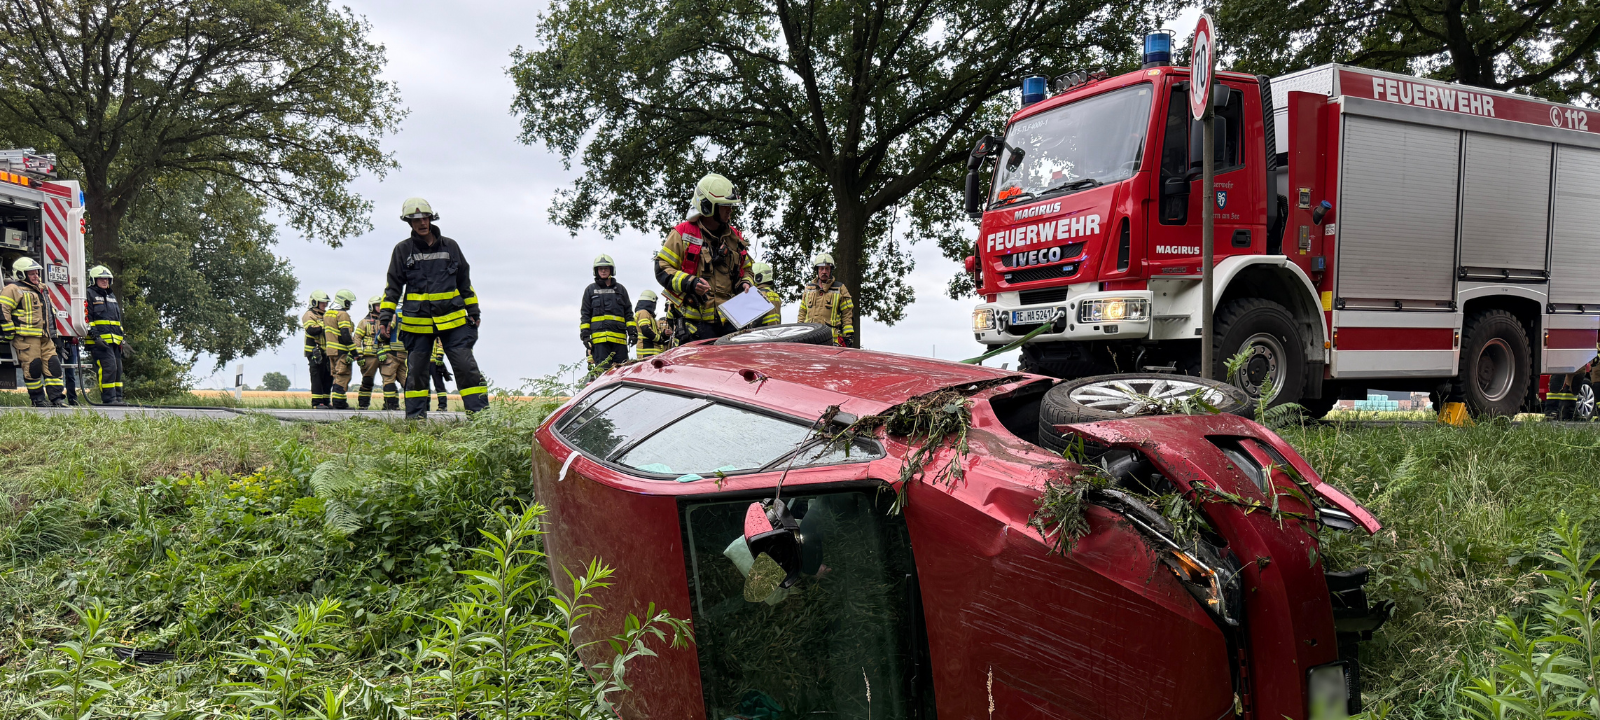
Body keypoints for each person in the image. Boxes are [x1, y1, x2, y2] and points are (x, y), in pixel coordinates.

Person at [378, 197, 488, 419]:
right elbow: (393, 288)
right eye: (416, 219)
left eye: (425, 218)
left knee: (466, 368)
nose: (422, 223)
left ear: (431, 218)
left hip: (454, 320)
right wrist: (384, 319)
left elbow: (464, 283)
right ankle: (415, 421)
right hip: (417, 323)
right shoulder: (402, 250)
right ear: (409, 222)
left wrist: (474, 311)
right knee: (417, 373)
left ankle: (480, 419)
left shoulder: (450, 246)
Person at [654, 173, 752, 342]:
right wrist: (689, 282)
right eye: (724, 206)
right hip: (694, 326)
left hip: (731, 323)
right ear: (708, 207)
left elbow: (747, 268)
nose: (730, 210)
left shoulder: (734, 237)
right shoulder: (683, 233)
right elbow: (662, 267)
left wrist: (745, 282)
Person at [1, 258, 65, 406]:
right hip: (26, 338)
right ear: (22, 274)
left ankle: (57, 399)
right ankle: (38, 400)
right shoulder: (13, 289)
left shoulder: (43, 288)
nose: (36, 276)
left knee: (54, 366)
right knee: (33, 367)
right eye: (32, 274)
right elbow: (3, 310)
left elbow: (50, 312)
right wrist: (9, 330)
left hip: (45, 336)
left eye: (37, 273)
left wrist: (55, 335)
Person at [580, 254, 635, 373]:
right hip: (600, 342)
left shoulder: (621, 290)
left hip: (619, 341)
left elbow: (628, 313)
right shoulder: (590, 290)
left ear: (611, 270)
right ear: (596, 271)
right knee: (603, 373)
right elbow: (585, 315)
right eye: (600, 268)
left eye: (606, 268)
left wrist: (632, 332)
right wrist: (585, 336)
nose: (603, 271)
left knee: (622, 372)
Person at [84, 265, 125, 405]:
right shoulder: (89, 294)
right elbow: (87, 318)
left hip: (114, 341)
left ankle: (118, 398)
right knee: (109, 367)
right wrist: (96, 337)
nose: (104, 281)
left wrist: (122, 340)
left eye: (107, 279)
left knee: (118, 369)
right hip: (99, 341)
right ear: (94, 280)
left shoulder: (111, 296)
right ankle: (109, 399)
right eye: (101, 279)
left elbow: (117, 321)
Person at [352, 295, 400, 410]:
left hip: (385, 355)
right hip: (369, 356)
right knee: (367, 380)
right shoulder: (363, 322)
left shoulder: (387, 321)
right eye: (377, 305)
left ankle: (391, 405)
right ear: (371, 307)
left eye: (381, 305)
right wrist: (359, 355)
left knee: (389, 380)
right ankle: (363, 405)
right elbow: (357, 338)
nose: (379, 307)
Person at [796, 253, 855, 347]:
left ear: (831, 270)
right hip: (809, 339)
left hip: (831, 340)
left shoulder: (840, 288)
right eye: (821, 268)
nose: (824, 271)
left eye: (827, 268)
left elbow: (847, 315)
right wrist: (798, 332)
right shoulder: (809, 289)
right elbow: (802, 312)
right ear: (817, 270)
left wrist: (848, 336)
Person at [323, 289, 357, 409]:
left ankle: (337, 402)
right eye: (349, 302)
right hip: (341, 350)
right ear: (344, 301)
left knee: (336, 376)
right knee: (343, 376)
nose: (350, 305)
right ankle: (339, 403)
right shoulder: (343, 315)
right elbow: (345, 334)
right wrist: (354, 352)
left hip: (331, 351)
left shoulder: (327, 314)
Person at [302, 290, 332, 408]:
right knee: (317, 376)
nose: (325, 305)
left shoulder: (325, 315)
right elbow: (312, 330)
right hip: (314, 351)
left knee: (328, 376)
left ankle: (325, 401)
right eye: (322, 303)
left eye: (325, 303)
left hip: (326, 351)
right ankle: (316, 403)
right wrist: (326, 326)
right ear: (315, 302)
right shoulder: (309, 315)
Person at [634, 289, 674, 358]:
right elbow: (646, 330)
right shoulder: (643, 313)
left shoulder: (649, 316)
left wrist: (664, 334)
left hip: (652, 353)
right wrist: (659, 339)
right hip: (647, 352)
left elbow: (653, 332)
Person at [750, 262, 782, 326]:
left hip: (761, 332)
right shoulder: (775, 295)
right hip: (774, 332)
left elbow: (756, 321)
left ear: (758, 277)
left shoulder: (758, 295)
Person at [430, 337, 451, 411]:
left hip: (435, 362)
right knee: (424, 385)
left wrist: (439, 356)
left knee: (438, 384)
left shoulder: (437, 334)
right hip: (424, 361)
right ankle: (425, 406)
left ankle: (442, 405)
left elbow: (440, 344)